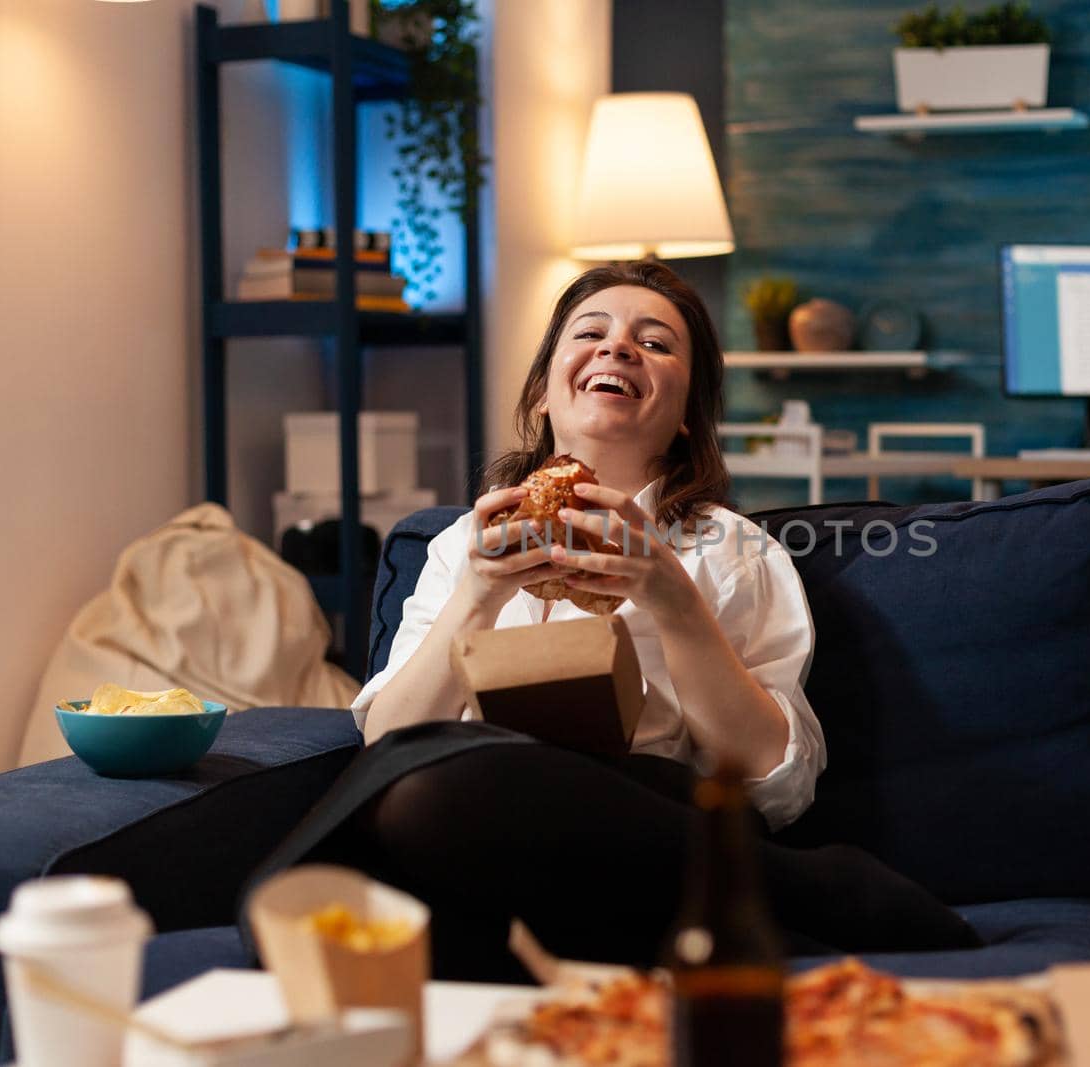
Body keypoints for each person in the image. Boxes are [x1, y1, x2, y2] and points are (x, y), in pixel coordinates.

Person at [248, 262, 979, 980]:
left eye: (656, 342)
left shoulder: (730, 550)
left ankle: (806, 884)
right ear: (542, 393)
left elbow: (774, 784)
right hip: (481, 838)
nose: (619, 347)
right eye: (590, 331)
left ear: (689, 412)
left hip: (642, 811)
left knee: (433, 795)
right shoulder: (463, 544)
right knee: (418, 794)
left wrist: (672, 597)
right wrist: (477, 594)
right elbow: (388, 741)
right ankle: (791, 888)